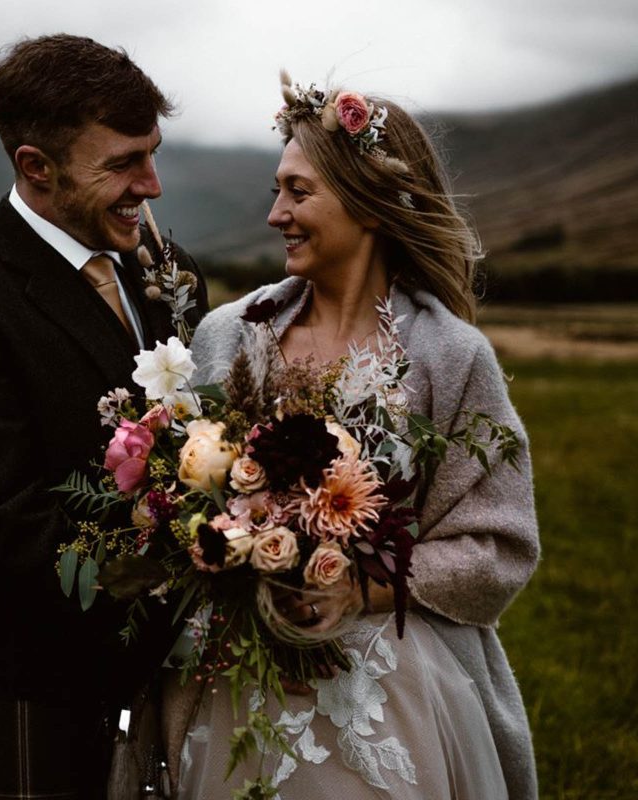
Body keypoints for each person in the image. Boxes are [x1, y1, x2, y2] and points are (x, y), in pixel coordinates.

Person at [166, 77, 540, 798]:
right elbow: (184, 495)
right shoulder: (228, 338)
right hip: (232, 680)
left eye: (298, 193)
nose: (275, 214)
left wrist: (361, 591)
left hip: (393, 693)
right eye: (277, 191)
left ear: (367, 201)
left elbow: (499, 544)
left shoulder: (451, 356)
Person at [0, 34, 207, 800]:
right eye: (123, 163)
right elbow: (2, 526)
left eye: (152, 154)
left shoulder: (172, 274)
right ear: (35, 167)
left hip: (178, 673)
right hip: (28, 682)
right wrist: (198, 558)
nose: (150, 185)